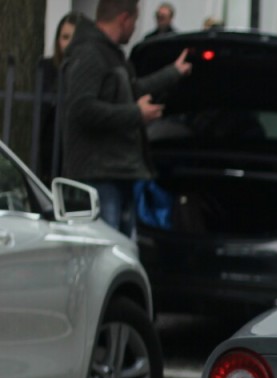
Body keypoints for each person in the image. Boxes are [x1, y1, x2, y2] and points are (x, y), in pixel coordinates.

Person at [60, 0, 191, 235]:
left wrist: (173, 73)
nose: (135, 28)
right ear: (124, 19)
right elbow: (82, 109)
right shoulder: (90, 53)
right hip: (99, 176)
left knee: (121, 251)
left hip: (119, 173)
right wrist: (136, 113)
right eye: (135, 21)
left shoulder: (111, 54)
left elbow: (133, 89)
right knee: (107, 252)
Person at [36, 11, 84, 183]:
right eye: (65, 37)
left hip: (76, 150)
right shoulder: (47, 68)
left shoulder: (88, 72)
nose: (69, 44)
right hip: (49, 146)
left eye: (74, 38)